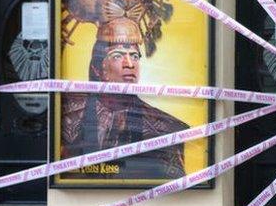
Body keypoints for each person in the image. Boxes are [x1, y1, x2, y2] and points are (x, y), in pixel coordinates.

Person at [60, 16, 187, 181]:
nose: (130, 64)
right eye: (118, 56)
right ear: (97, 68)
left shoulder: (165, 128)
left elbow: (176, 185)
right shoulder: (66, 113)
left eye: (134, 56)